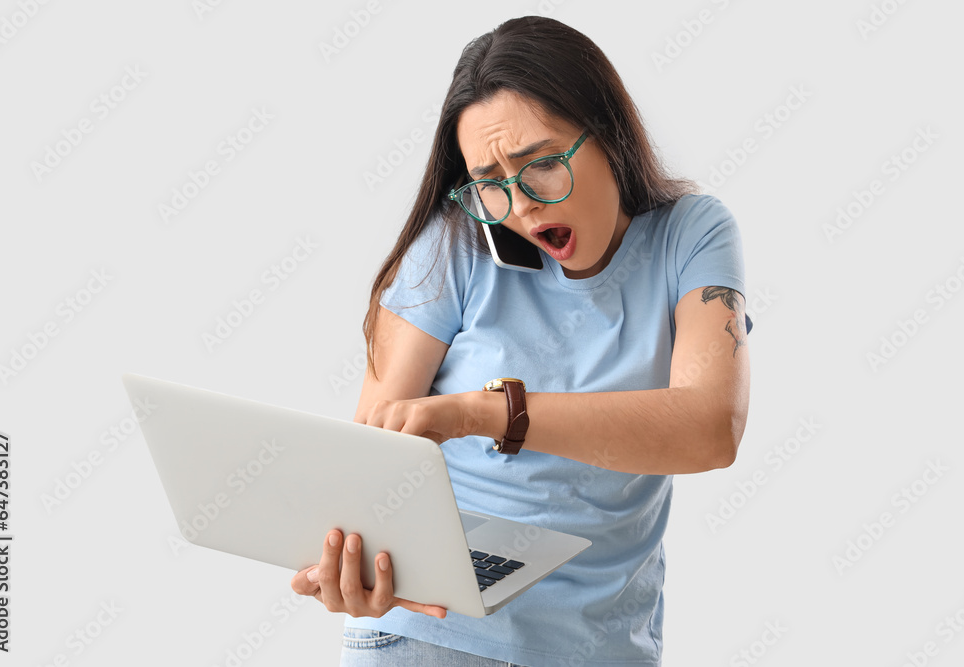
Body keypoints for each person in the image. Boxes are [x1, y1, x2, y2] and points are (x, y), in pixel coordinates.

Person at [291, 15, 751, 666]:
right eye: (489, 182)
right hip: (428, 635)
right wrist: (351, 569)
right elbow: (371, 463)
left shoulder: (693, 235)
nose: (520, 205)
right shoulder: (453, 245)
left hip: (602, 647)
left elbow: (711, 426)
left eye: (540, 164)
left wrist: (482, 413)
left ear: (610, 133)